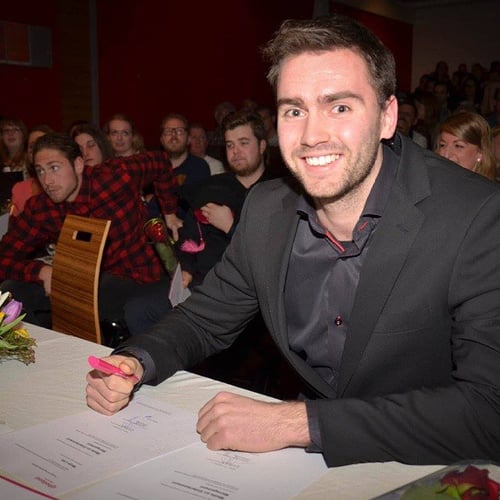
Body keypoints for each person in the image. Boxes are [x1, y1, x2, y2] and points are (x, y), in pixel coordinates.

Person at [86, 15, 500, 467]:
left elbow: (489, 412)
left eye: (339, 108)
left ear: (387, 117)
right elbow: (205, 319)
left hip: (428, 467)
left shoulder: (475, 216)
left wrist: (297, 423)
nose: (311, 136)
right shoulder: (267, 210)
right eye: (294, 111)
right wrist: (137, 360)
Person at [0, 133, 182, 339]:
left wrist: (170, 212)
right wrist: (41, 271)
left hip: (135, 274)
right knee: (10, 293)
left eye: (54, 168)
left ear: (78, 164)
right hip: (82, 278)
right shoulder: (42, 207)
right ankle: (37, 350)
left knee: (87, 303)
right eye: (40, 171)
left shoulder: (114, 176)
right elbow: (4, 257)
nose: (47, 180)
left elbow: (160, 162)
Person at [435, 111, 495, 180]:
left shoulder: (486, 187)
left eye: (458, 146)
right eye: (442, 145)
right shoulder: (432, 181)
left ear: (480, 153)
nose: (446, 155)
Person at [9, 125, 53, 218]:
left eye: (42, 145)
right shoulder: (19, 189)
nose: (37, 150)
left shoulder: (64, 186)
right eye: (32, 146)